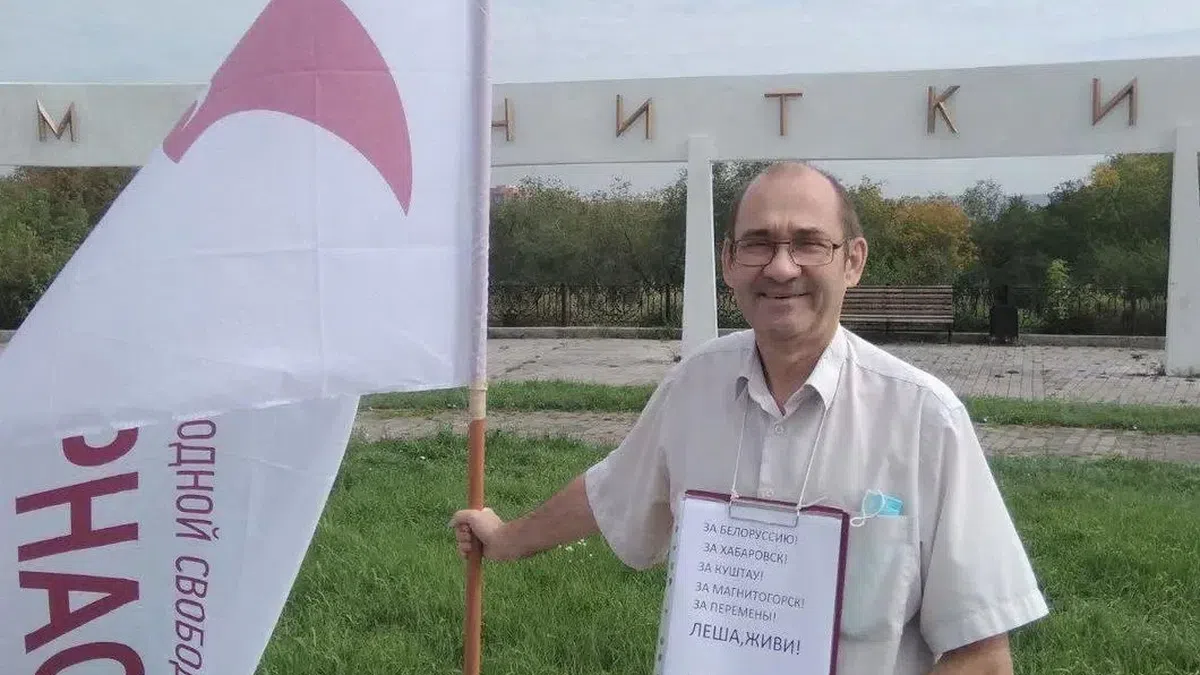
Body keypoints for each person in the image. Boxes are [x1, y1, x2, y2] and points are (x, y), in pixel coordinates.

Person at [451, 161, 1048, 673]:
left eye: (809, 243)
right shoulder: (694, 386)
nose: (781, 267)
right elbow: (612, 490)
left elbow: (981, 652)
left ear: (853, 261)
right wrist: (506, 539)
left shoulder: (924, 420)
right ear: (729, 261)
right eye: (758, 243)